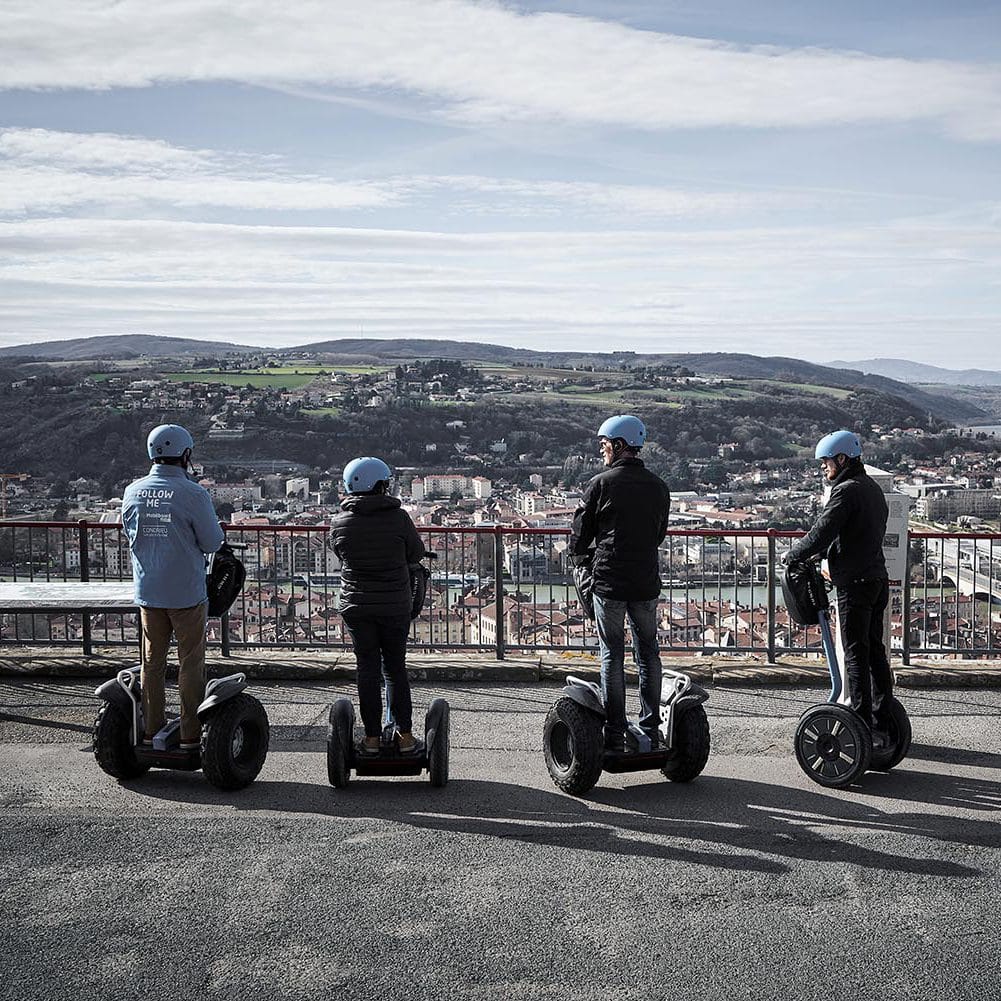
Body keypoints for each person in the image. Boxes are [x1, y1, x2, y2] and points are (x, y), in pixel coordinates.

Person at [569, 415, 671, 752]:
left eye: (604, 444)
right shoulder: (659, 486)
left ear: (619, 445)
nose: (601, 450)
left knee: (611, 654)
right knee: (648, 653)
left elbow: (579, 539)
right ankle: (651, 728)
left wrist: (585, 562)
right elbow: (658, 535)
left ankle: (614, 732)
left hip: (609, 581)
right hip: (644, 581)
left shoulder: (600, 484)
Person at [121, 424, 224, 749]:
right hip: (186, 593)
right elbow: (211, 542)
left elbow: (130, 532)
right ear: (186, 454)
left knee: (152, 662)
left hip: (149, 591)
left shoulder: (132, 491)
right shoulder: (193, 493)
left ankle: (151, 730)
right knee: (191, 661)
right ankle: (191, 735)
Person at [787, 429, 892, 746]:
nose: (823, 467)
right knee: (875, 653)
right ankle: (881, 720)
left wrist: (793, 554)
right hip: (876, 579)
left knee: (855, 655)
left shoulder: (846, 491)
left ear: (842, 459)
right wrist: (825, 553)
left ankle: (859, 725)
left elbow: (822, 531)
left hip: (856, 585)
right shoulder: (871, 489)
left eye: (826, 462)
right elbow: (853, 536)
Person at [330, 456, 426, 755]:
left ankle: (371, 739)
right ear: (381, 485)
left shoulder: (340, 522)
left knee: (366, 669)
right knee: (394, 669)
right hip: (394, 606)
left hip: (357, 607)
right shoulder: (398, 518)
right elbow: (416, 552)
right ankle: (405, 736)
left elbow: (341, 553)